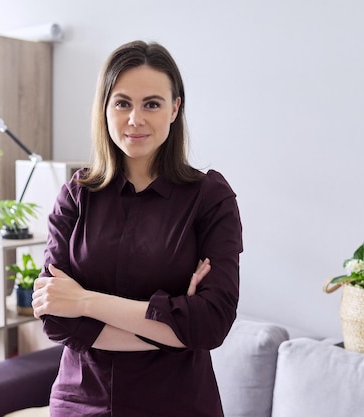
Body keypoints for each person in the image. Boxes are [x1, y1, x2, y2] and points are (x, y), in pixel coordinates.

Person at [32, 40, 243, 417]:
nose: (135, 119)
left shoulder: (210, 198)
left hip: (177, 404)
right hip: (80, 403)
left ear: (175, 108)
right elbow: (53, 315)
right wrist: (176, 332)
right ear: (105, 108)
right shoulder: (75, 196)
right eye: (123, 102)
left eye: (152, 104)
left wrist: (84, 301)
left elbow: (211, 323)